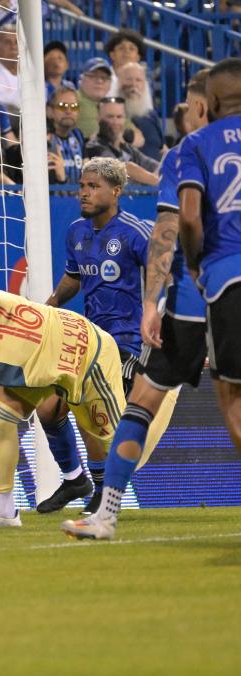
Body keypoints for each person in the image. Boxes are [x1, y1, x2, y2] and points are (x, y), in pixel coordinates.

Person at [62, 69, 214, 540]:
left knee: (141, 403)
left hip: (197, 293)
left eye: (188, 104)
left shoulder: (186, 154)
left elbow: (174, 227)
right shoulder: (78, 233)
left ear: (203, 107)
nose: (184, 113)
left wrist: (154, 303)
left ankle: (106, 514)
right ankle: (91, 495)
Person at [0, 269, 127, 527]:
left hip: (89, 354)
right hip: (44, 361)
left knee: (121, 445)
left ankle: (159, 402)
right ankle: (4, 513)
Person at [40, 157, 173, 514]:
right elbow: (75, 276)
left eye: (93, 186)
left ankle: (103, 489)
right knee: (47, 410)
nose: (83, 193)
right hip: (91, 339)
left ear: (116, 191)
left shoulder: (134, 231)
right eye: (82, 186)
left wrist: (156, 311)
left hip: (128, 342)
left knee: (88, 407)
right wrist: (50, 305)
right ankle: (75, 480)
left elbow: (164, 272)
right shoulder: (76, 232)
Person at [177, 59, 241, 451]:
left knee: (232, 396)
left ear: (208, 102)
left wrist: (195, 262)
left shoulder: (197, 144)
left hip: (227, 277)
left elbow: (188, 216)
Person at [85, 97, 159, 186]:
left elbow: (155, 166)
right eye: (110, 117)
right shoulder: (93, 147)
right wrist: (155, 180)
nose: (115, 122)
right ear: (99, 118)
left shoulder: (127, 149)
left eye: (119, 117)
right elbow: (122, 168)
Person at [117, 61, 164, 160]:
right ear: (119, 82)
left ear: (145, 84)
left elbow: (161, 147)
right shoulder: (112, 114)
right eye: (129, 79)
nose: (133, 84)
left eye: (138, 80)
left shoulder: (151, 115)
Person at [47, 87, 85, 185]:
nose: (69, 111)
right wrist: (61, 179)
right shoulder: (45, 139)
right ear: (49, 111)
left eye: (74, 106)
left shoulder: (78, 135)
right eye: (62, 106)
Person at [76, 57, 113, 139]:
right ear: (82, 79)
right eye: (93, 76)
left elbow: (139, 138)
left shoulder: (112, 105)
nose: (99, 81)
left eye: (104, 78)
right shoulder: (72, 100)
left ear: (110, 83)